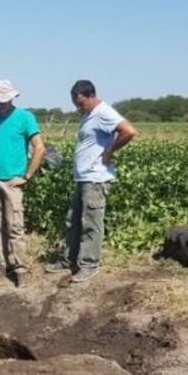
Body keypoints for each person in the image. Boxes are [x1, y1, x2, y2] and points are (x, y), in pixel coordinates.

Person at [46, 79, 137, 283]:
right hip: (84, 178)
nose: (78, 108)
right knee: (73, 220)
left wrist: (110, 150)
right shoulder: (89, 115)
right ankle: (69, 260)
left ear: (91, 96)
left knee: (91, 223)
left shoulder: (103, 112)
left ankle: (89, 265)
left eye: (81, 103)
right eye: (75, 104)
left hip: (96, 178)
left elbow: (129, 131)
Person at [0, 79, 45, 287]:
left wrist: (27, 176)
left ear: (12, 98)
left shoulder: (25, 118)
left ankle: (20, 268)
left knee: (15, 226)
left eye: (3, 101)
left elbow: (39, 148)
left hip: (13, 181)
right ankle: (2, 264)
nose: (0, 104)